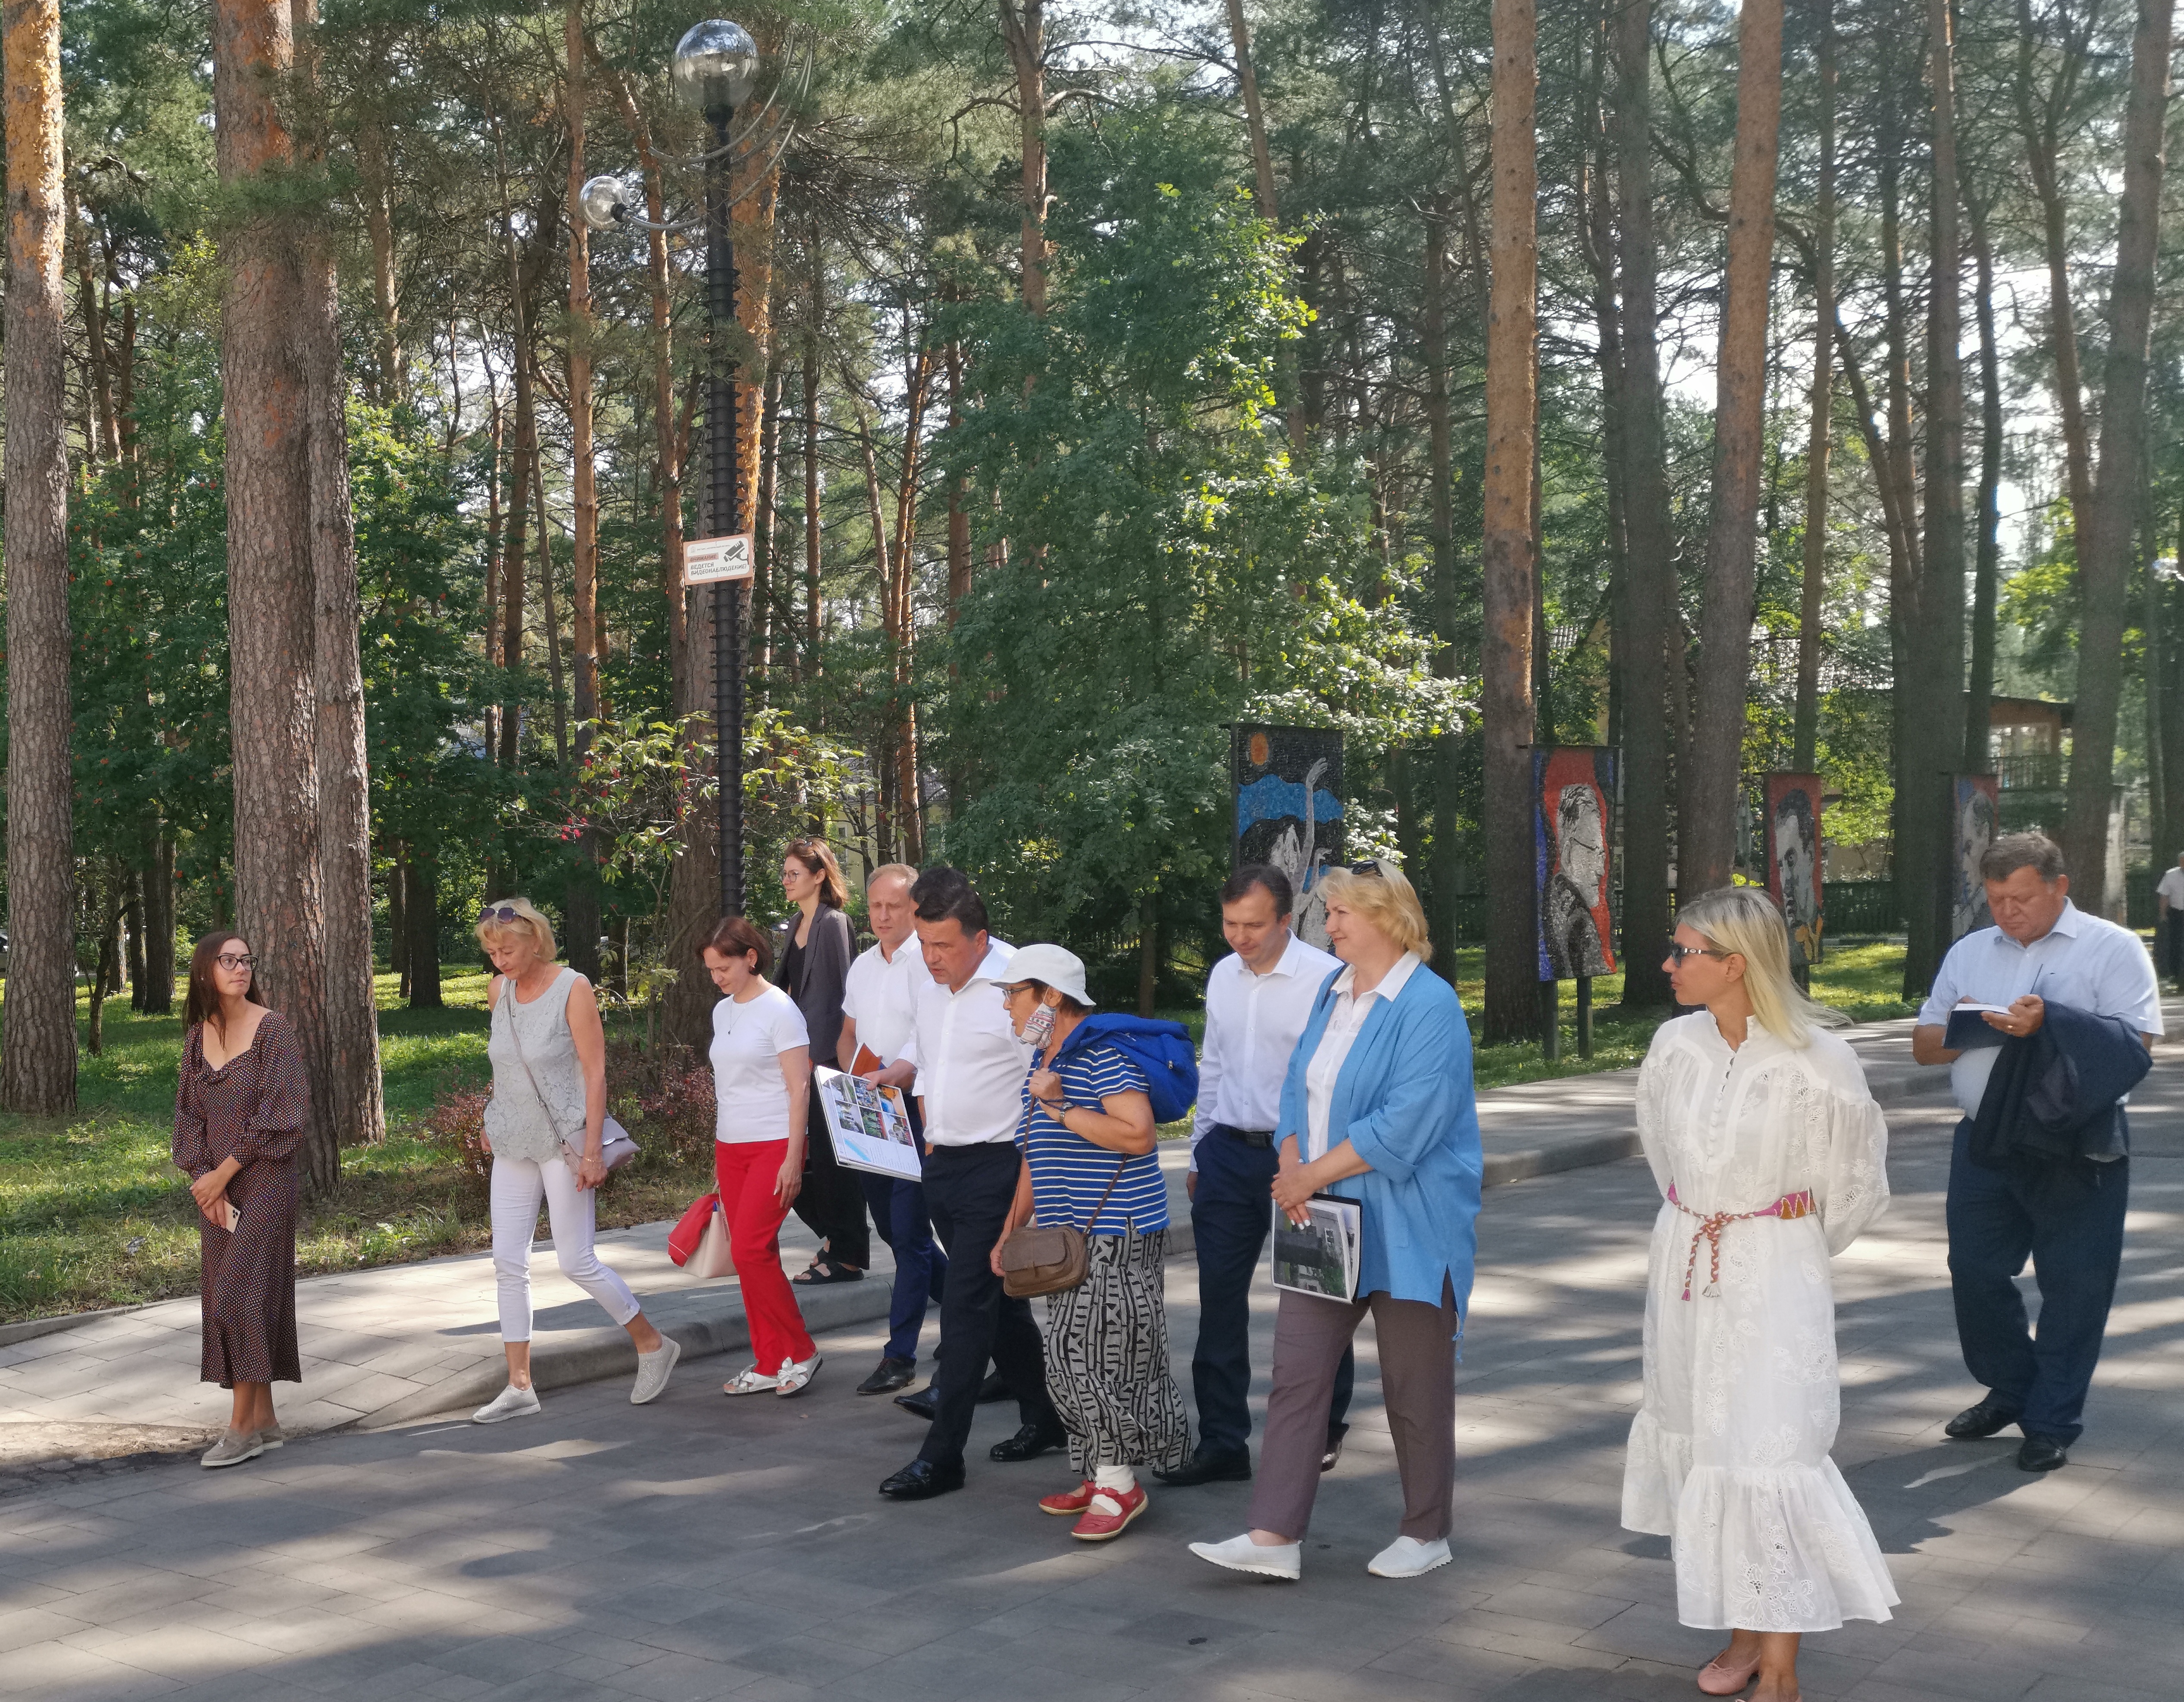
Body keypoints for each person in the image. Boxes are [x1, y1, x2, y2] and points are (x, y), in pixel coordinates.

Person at [1623, 888, 1898, 1702]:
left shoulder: (1820, 1058)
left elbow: (1854, 1185)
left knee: (1770, 1451)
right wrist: (1703, 1213)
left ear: (1734, 964)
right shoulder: (1675, 1044)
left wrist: (1773, 1232)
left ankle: (1781, 1667)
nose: (1668, 964)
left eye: (1683, 952)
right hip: (1685, 1265)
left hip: (1772, 1267)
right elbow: (1659, 1148)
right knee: (1710, 1442)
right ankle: (1746, 1632)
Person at [1189, 860, 1483, 1583]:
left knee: (1413, 1384)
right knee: (1296, 1372)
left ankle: (1426, 1530)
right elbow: (1297, 1081)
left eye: (1345, 911)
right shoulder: (1333, 988)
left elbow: (1404, 1125)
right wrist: (1293, 1162)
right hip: (1321, 1214)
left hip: (1410, 1221)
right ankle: (1274, 1535)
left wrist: (1307, 1176)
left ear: (1388, 917)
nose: (1332, 924)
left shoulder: (1429, 1004)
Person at [1913, 832, 2162, 1472]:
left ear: (2058, 887)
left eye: (2020, 897)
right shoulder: (1970, 951)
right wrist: (1968, 1028)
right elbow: (1923, 1044)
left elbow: (2134, 1047)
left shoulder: (2112, 947)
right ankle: (2011, 1386)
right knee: (1973, 1269)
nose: (2006, 911)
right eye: (1995, 898)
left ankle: (2050, 1420)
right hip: (1983, 1137)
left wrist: (2047, 1020)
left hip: (2076, 1144)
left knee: (2074, 1286)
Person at [1160, 863, 1355, 1488]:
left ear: (1283, 919)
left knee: (1316, 1297)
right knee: (1218, 1300)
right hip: (1226, 1154)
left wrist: (1315, 1165)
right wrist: (1197, 1152)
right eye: (1228, 924)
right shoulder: (1222, 975)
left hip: (1300, 1160)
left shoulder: (1326, 980)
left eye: (1252, 925)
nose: (1238, 937)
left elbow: (1333, 1082)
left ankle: (1321, 1427)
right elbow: (1211, 1065)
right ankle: (1221, 1441)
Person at [875, 868, 1065, 1500]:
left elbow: (1047, 1084)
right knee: (998, 1299)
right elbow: (929, 1059)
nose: (931, 959)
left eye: (944, 947)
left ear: (981, 940)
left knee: (963, 1308)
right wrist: (909, 1094)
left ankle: (942, 1456)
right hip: (944, 1162)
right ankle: (1043, 1417)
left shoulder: (1020, 988)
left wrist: (1023, 1193)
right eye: (925, 945)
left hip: (999, 1165)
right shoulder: (927, 982)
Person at [992, 944, 1190, 1540]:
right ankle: (1095, 1469)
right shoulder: (1043, 1058)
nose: (1006, 1006)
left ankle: (1118, 1484)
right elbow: (1034, 1155)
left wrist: (1056, 1105)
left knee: (1092, 1358)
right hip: (1063, 1236)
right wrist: (1010, 1229)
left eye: (1013, 993)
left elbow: (1136, 1136)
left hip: (1115, 1232)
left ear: (1050, 995)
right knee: (1071, 1355)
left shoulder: (1099, 1056)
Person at [472, 898, 677, 1423]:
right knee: (507, 1262)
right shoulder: (500, 991)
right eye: (492, 951)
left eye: (508, 948)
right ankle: (519, 1384)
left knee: (575, 1260)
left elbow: (595, 1073)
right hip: (513, 1141)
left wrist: (592, 1153)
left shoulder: (573, 986)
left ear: (536, 940)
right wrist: (490, 1119)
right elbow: (507, 1064)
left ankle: (652, 1344)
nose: (500, 959)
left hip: (565, 1141)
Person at [172, 933, 311, 1469]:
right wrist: (203, 1177)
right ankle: (267, 1420)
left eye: (247, 959)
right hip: (217, 1190)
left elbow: (286, 1117)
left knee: (239, 1297)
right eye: (229, 960)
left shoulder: (272, 1029)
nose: (241, 968)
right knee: (235, 1298)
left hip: (266, 1181)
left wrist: (224, 1172)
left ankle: (240, 1429)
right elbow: (187, 1117)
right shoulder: (195, 1038)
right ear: (207, 970)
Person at [703, 915, 824, 1396]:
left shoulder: (781, 1010)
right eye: (711, 970)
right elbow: (725, 1087)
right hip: (730, 1146)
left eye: (723, 967)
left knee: (748, 1249)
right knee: (756, 1254)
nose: (717, 977)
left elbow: (799, 1088)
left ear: (750, 957)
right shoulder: (722, 1011)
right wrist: (718, 1160)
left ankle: (801, 1350)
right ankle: (771, 1358)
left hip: (775, 1143)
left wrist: (795, 1158)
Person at [838, 863, 948, 1395]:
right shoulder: (862, 966)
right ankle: (985, 1315)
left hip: (911, 1104)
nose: (882, 916)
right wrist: (853, 1076)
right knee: (893, 1229)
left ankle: (899, 1355)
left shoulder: (928, 962)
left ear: (914, 908)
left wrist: (890, 1076)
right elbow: (848, 1032)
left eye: (894, 907)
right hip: (869, 1106)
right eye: (875, 906)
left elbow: (927, 1041)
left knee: (908, 1235)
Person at [775, 838, 869, 1285]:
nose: (786, 879)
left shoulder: (834, 923)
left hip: (829, 1057)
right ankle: (836, 1239)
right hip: (799, 1055)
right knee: (802, 1158)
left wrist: (828, 1056)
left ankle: (846, 1253)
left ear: (818, 875)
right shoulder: (796, 922)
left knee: (833, 1161)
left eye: (794, 873)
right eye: (785, 872)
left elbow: (845, 996)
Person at [2156, 848, 2184, 990]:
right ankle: (2174, 973)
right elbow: (2164, 896)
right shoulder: (2171, 875)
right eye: (2182, 862)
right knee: (2175, 943)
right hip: (2177, 913)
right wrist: (2163, 914)